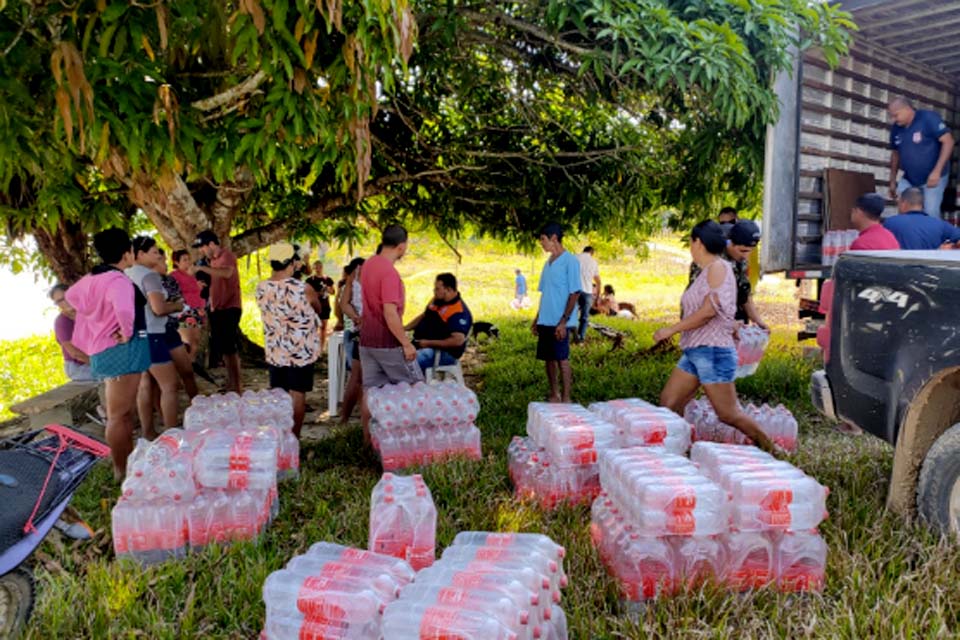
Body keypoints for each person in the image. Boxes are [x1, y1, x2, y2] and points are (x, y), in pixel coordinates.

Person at [654, 221, 776, 453]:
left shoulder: (718, 268)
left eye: (691, 242)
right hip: (696, 349)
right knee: (669, 403)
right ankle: (681, 449)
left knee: (729, 414)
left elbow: (708, 312)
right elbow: (720, 309)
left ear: (697, 242)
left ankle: (771, 448)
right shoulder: (706, 269)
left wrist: (671, 330)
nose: (690, 247)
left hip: (713, 351)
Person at [66, 228, 151, 478]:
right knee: (118, 415)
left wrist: (94, 317)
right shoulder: (118, 280)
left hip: (107, 349)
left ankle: (126, 464)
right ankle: (120, 470)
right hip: (121, 350)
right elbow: (124, 311)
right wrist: (123, 331)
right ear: (127, 253)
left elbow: (71, 296)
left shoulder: (93, 277)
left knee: (123, 413)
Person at [359, 225, 422, 437]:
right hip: (388, 342)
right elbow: (390, 312)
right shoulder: (389, 273)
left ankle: (369, 441)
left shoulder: (368, 264)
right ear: (402, 247)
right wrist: (406, 342)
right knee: (415, 388)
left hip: (367, 341)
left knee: (371, 391)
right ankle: (411, 440)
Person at [256, 243, 323, 437]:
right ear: (292, 263)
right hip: (300, 351)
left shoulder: (261, 288)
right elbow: (318, 308)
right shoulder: (303, 288)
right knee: (297, 394)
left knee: (279, 396)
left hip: (275, 349)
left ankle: (280, 437)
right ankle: (294, 439)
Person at [127, 237, 184, 439]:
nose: (159, 255)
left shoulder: (125, 274)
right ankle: (172, 433)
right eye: (154, 251)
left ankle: (148, 431)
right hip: (153, 335)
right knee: (170, 386)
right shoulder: (149, 276)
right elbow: (158, 309)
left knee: (145, 384)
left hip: (134, 336)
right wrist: (176, 306)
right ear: (139, 254)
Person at [531, 222, 580, 403]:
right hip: (546, 318)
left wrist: (563, 321)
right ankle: (554, 394)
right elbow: (545, 293)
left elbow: (575, 292)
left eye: (543, 240)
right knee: (548, 359)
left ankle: (566, 397)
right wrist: (537, 318)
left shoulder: (570, 261)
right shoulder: (548, 264)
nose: (542, 244)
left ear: (554, 238)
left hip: (560, 321)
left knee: (562, 359)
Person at [688, 220, 768, 330]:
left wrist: (758, 321)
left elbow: (744, 295)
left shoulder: (741, 260)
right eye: (743, 251)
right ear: (731, 243)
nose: (746, 256)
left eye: (750, 251)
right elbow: (701, 302)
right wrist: (729, 323)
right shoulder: (711, 258)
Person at [888, 97, 955, 218]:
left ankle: (932, 237)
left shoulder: (928, 118)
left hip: (934, 176)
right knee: (903, 210)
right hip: (909, 178)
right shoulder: (896, 128)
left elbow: (948, 141)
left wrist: (937, 171)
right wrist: (892, 180)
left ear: (907, 109)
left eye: (895, 115)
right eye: (891, 116)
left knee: (931, 212)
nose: (893, 120)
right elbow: (895, 154)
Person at [193, 230, 243, 393]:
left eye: (202, 246)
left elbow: (227, 273)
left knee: (230, 348)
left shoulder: (226, 256)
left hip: (230, 308)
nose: (201, 250)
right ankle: (231, 383)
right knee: (224, 349)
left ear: (211, 244)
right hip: (217, 309)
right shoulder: (211, 261)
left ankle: (237, 385)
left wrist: (203, 268)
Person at [153, 248, 199, 399]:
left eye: (164, 260)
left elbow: (177, 303)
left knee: (187, 371)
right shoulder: (145, 280)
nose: (164, 264)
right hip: (154, 334)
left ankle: (196, 405)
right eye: (160, 260)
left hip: (172, 327)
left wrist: (169, 306)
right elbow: (159, 309)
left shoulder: (169, 280)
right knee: (157, 384)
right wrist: (168, 306)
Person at [406, 273, 473, 372]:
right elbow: (424, 315)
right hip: (420, 344)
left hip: (441, 353)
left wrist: (428, 343)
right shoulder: (437, 300)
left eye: (437, 289)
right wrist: (405, 328)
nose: (434, 292)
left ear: (449, 290)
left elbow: (457, 340)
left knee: (404, 364)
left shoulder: (458, 311)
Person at [884, 187, 960, 250]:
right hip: (930, 266)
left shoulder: (890, 222)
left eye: (899, 203)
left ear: (903, 203)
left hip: (899, 267)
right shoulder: (940, 224)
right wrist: (951, 247)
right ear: (922, 205)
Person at [49, 284, 94, 382]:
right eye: (59, 301)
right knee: (116, 377)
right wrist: (102, 365)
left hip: (97, 359)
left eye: (66, 297)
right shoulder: (62, 322)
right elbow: (75, 353)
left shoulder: (87, 313)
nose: (65, 302)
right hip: (78, 366)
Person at [339, 257, 365, 425]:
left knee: (358, 377)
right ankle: (349, 419)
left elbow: (343, 303)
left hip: (359, 331)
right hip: (362, 333)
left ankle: (347, 419)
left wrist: (356, 318)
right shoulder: (353, 279)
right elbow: (343, 303)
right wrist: (357, 317)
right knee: (359, 378)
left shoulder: (355, 277)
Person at [168, 249, 206, 361]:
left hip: (197, 311)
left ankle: (190, 365)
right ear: (176, 262)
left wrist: (201, 307)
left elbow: (197, 295)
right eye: (184, 260)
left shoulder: (192, 277)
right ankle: (185, 367)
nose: (188, 262)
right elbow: (176, 294)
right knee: (188, 343)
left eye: (189, 259)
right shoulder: (174, 276)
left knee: (195, 341)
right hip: (183, 312)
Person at [306, 261, 335, 353]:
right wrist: (318, 293)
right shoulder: (310, 280)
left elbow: (333, 292)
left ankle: (321, 349)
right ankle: (312, 348)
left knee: (323, 327)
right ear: (313, 268)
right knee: (313, 328)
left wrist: (328, 289)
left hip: (325, 306)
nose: (318, 269)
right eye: (316, 267)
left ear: (322, 267)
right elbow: (307, 294)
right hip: (313, 307)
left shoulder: (328, 279)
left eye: (319, 267)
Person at [574, 246, 601, 343]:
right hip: (587, 291)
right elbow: (598, 281)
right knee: (584, 317)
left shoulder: (575, 257)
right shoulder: (593, 262)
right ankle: (580, 338)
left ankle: (570, 334)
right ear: (592, 253)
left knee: (572, 314)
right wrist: (597, 297)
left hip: (574, 290)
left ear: (583, 250)